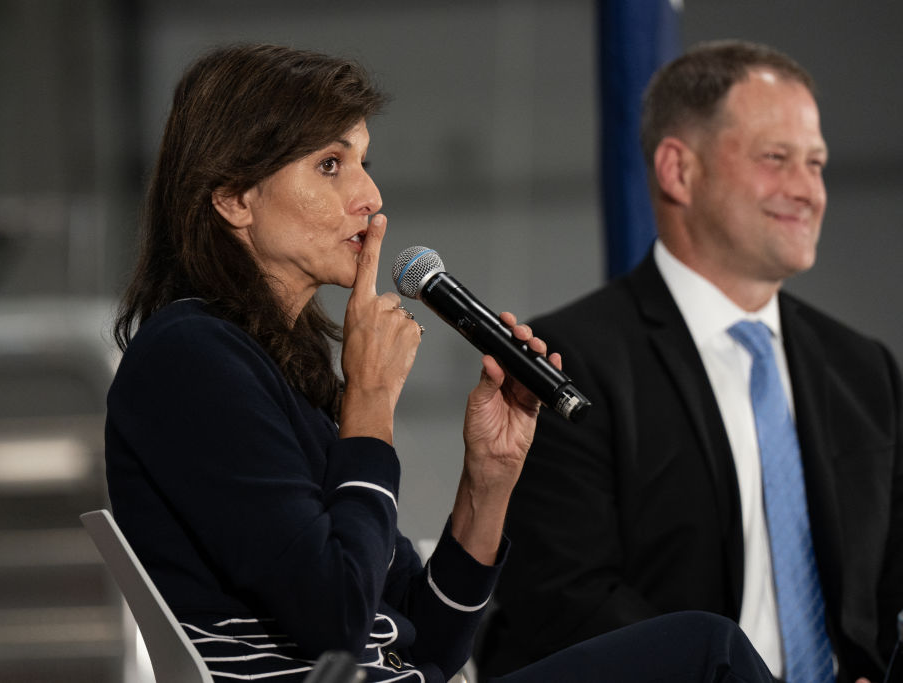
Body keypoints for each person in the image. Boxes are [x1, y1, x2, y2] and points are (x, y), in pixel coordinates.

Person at [104, 42, 778, 682]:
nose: (369, 197)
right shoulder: (189, 358)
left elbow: (430, 640)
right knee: (704, 653)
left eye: (365, 161)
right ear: (233, 197)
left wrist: (488, 478)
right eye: (331, 165)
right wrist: (369, 402)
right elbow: (336, 618)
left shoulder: (282, 370)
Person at [478, 39, 903, 683]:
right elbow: (567, 602)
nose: (808, 190)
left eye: (815, 163)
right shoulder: (565, 364)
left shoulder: (863, 369)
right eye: (776, 159)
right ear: (678, 170)